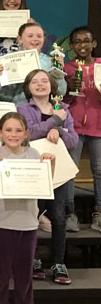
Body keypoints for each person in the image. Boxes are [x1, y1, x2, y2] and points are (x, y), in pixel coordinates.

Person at [0, 112, 54, 304]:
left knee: (24, 277)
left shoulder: (34, 155)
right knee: (1, 276)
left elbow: (44, 186)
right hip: (1, 222)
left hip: (28, 224)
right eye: (8, 130)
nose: (13, 134)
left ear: (26, 134)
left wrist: (51, 164)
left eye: (18, 130)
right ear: (0, 133)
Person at [17, 69, 78, 285]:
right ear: (28, 86)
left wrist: (60, 132)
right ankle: (32, 260)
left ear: (52, 86)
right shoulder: (22, 109)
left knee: (59, 217)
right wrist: (54, 122)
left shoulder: (63, 109)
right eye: (35, 81)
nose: (41, 84)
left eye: (45, 81)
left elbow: (73, 141)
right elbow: (28, 134)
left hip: (58, 171)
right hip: (33, 169)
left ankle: (59, 262)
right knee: (33, 214)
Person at [63, 26, 101, 232]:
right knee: (70, 170)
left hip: (98, 125)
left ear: (93, 43)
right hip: (73, 126)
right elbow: (61, 100)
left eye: (86, 41)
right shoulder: (67, 69)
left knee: (99, 169)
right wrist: (69, 89)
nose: (82, 45)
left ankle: (99, 212)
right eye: (77, 42)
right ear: (71, 46)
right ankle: (70, 212)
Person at [0, 22, 66, 103]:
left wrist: (57, 72)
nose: (35, 39)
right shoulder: (9, 62)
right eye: (30, 36)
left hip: (46, 111)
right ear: (20, 39)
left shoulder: (51, 62)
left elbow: (60, 93)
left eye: (39, 36)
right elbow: (6, 96)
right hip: (21, 111)